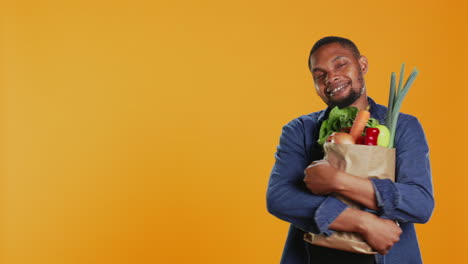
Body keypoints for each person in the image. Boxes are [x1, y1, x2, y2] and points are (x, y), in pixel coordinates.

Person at [266, 36, 434, 264]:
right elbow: (279, 198)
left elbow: (420, 204)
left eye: (341, 64)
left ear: (362, 65)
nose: (331, 77)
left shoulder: (402, 126)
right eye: (319, 75)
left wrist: (337, 181)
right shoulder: (300, 130)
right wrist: (362, 222)